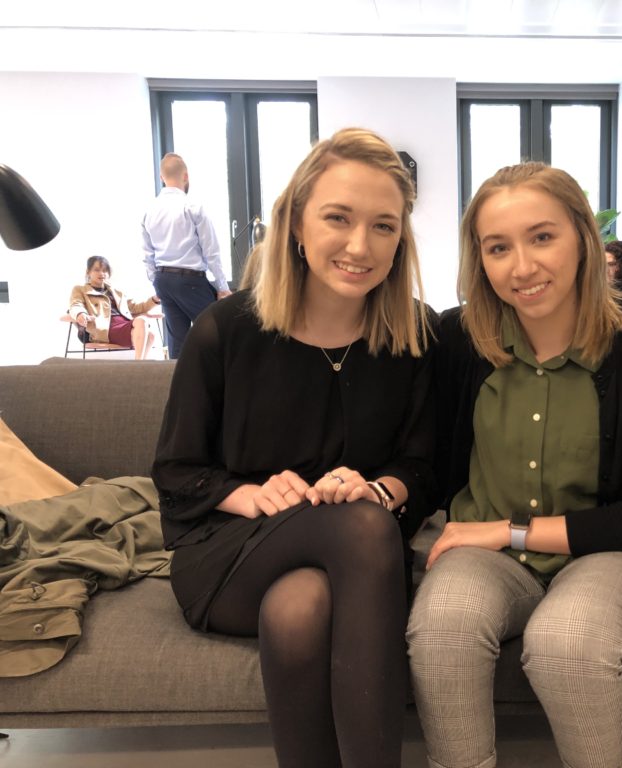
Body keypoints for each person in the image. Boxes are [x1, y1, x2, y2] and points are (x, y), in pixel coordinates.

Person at [152, 127, 436, 768]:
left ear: (401, 240)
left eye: (384, 226)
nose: (360, 246)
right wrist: (247, 492)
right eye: (338, 217)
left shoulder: (414, 334)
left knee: (302, 604)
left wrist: (380, 488)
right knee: (361, 530)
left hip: (351, 559)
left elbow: (422, 466)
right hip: (228, 554)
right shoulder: (226, 330)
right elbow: (175, 470)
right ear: (297, 224)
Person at [407, 162, 622, 768]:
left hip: (597, 552)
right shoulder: (459, 343)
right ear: (480, 261)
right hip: (484, 558)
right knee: (443, 627)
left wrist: (508, 531)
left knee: (569, 644)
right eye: (498, 247)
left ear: (583, 237)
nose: (522, 267)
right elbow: (421, 454)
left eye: (542, 237)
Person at [142, 152, 231, 359]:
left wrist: (157, 282)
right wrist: (222, 288)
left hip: (164, 281)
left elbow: (148, 256)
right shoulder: (192, 208)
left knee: (178, 346)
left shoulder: (149, 211)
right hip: (190, 280)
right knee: (219, 332)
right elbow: (211, 252)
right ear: (186, 176)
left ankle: (177, 388)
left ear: (162, 178)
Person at [68, 255, 160, 360]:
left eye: (105, 270)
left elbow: (136, 308)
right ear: (88, 272)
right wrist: (80, 314)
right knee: (142, 321)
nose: (102, 274)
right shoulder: (80, 289)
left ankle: (139, 365)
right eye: (97, 270)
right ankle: (139, 364)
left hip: (124, 323)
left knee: (151, 335)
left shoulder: (117, 292)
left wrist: (155, 299)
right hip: (106, 328)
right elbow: (76, 304)